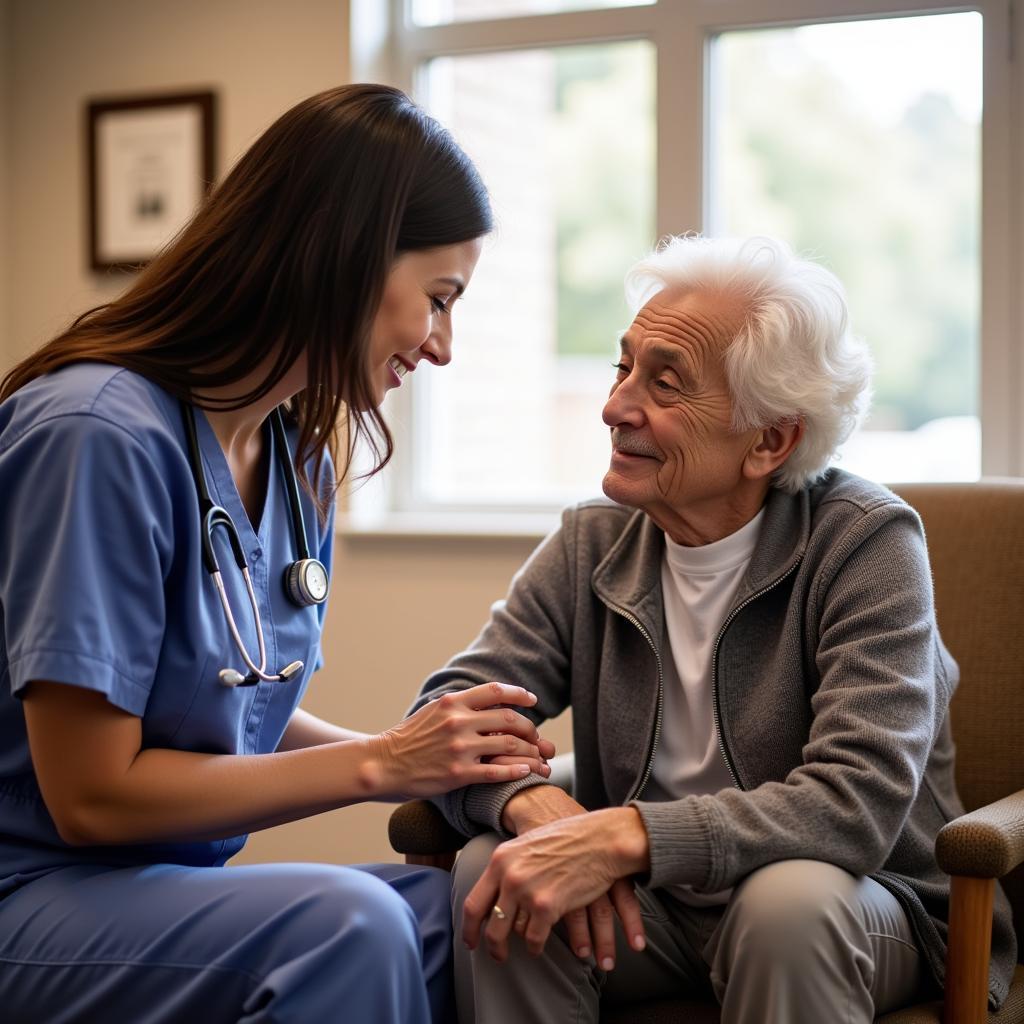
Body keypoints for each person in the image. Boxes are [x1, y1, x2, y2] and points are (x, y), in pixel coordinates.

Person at [0, 83, 556, 1024]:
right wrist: (385, 761)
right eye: (439, 299)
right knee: (349, 926)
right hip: (33, 889)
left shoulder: (293, 451)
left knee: (476, 904)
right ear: (344, 259)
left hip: (152, 889)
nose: (444, 345)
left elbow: (236, 704)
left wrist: (448, 765)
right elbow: (91, 796)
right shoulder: (96, 434)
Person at [411, 235, 1017, 1023]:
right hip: (650, 910)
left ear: (770, 439)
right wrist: (531, 808)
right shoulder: (594, 542)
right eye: (623, 368)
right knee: (502, 869)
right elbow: (450, 712)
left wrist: (625, 836)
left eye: (665, 384)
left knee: (785, 904)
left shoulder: (864, 541)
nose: (614, 405)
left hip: (858, 906)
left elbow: (855, 803)